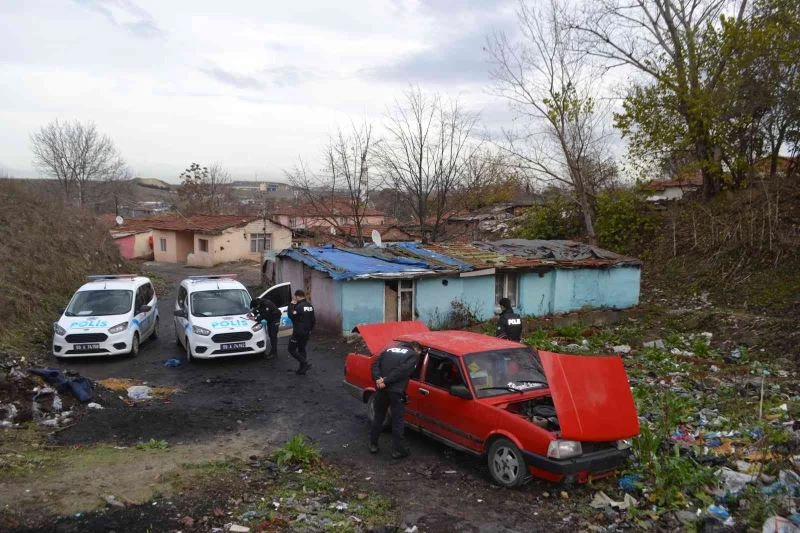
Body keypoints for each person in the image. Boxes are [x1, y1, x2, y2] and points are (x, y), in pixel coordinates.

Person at [369, 341, 422, 459]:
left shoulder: (388, 350)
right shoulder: (413, 355)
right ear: (416, 349)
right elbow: (403, 371)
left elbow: (375, 365)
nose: (419, 355)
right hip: (396, 392)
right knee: (397, 421)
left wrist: (378, 380)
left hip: (381, 390)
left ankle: (373, 445)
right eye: (419, 353)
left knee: (379, 417)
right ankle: (398, 450)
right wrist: (386, 381)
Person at [287, 289, 315, 375]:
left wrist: (291, 305)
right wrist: (310, 330)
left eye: (295, 297)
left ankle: (305, 363)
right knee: (301, 349)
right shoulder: (310, 306)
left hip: (298, 332)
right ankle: (302, 369)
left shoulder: (299, 306)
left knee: (291, 349)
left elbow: (291, 315)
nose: (295, 298)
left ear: (297, 296)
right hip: (307, 332)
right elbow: (313, 320)